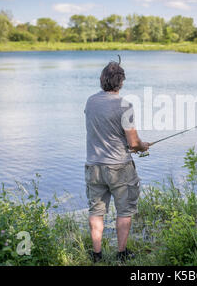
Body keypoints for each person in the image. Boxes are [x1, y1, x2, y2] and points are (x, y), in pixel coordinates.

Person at [84, 57, 149, 263]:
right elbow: (132, 142)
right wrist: (143, 146)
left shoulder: (90, 101)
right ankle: (121, 254)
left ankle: (97, 255)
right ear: (121, 82)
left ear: (102, 79)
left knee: (96, 211)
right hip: (119, 167)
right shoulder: (125, 105)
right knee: (124, 210)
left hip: (94, 166)